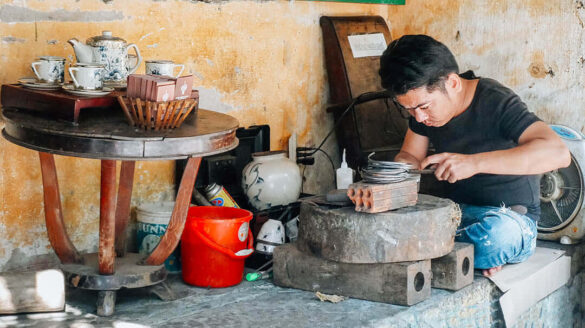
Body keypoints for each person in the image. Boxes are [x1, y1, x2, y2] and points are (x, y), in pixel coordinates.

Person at [379, 35, 571, 277]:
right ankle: (466, 255)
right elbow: (410, 155)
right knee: (383, 222)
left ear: (452, 84)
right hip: (454, 214)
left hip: (508, 218)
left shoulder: (495, 100)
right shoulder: (422, 112)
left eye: (424, 107)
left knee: (498, 236)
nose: (418, 118)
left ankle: (453, 250)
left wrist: (474, 163)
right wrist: (396, 173)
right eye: (408, 109)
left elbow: (558, 153)